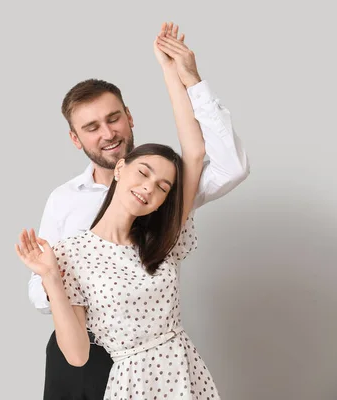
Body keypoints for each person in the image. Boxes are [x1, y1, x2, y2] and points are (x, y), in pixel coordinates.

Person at [26, 22, 248, 399]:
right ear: (76, 138)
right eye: (92, 126)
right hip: (87, 349)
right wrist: (57, 280)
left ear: (129, 117)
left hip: (171, 367)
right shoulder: (64, 204)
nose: (107, 133)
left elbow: (203, 155)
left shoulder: (162, 224)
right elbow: (42, 291)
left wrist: (178, 74)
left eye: (113, 119)